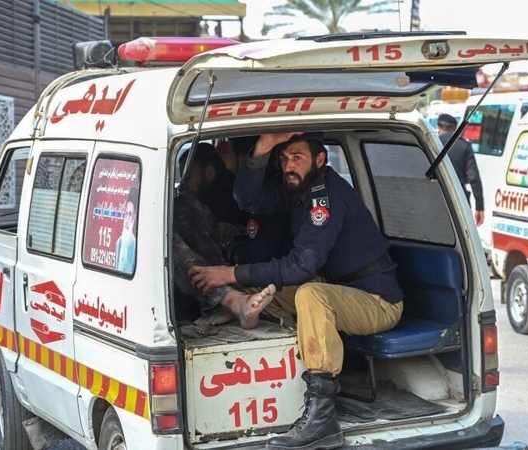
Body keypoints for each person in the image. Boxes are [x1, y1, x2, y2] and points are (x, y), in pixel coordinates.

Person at [188, 133, 404, 450]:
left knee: (309, 295)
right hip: (339, 289)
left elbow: (303, 266)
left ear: (320, 161)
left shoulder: (325, 198)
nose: (289, 165)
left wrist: (228, 273)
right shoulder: (298, 191)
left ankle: (322, 418)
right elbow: (248, 200)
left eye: (298, 157)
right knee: (263, 288)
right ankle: (237, 309)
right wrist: (261, 151)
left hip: (378, 301)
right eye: (284, 158)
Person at [173, 143, 276, 328]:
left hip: (238, 268)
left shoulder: (223, 193)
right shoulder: (225, 192)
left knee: (174, 220)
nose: (184, 185)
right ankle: (229, 299)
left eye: (188, 177)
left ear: (210, 173)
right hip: (239, 269)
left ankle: (228, 299)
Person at [436, 113, 485, 226]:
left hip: (434, 196)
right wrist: (479, 207)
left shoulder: (431, 144)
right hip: (459, 198)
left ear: (438, 128)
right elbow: (474, 178)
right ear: (454, 130)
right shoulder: (464, 146)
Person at [115, 186, 138, 273]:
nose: (127, 219)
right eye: (126, 213)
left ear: (134, 217)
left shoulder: (136, 245)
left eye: (130, 214)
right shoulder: (119, 243)